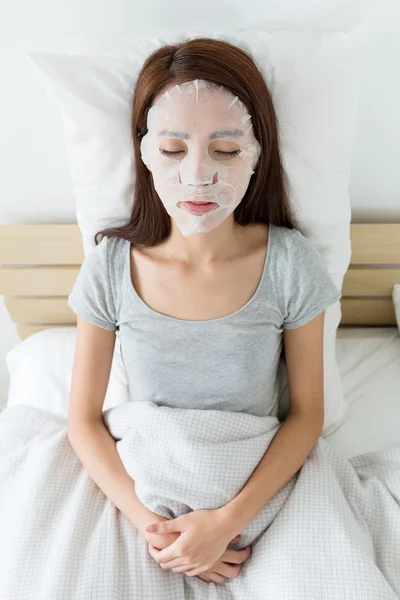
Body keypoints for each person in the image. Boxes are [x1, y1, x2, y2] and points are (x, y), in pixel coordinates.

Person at [66, 37, 341, 587]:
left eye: (226, 150)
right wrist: (156, 531)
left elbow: (307, 414)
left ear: (257, 154)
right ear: (144, 154)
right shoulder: (111, 266)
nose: (198, 175)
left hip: (251, 484)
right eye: (172, 150)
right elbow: (82, 420)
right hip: (146, 489)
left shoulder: (289, 263)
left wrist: (224, 523)